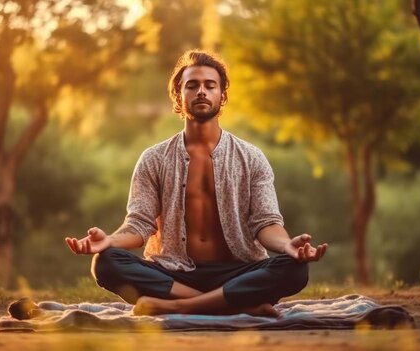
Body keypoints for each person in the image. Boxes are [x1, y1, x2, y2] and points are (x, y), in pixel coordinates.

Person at [65, 50, 328, 317]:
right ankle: (233, 305)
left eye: (209, 85)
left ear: (222, 95)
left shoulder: (252, 158)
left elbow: (266, 223)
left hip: (236, 271)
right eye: (192, 85)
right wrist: (107, 241)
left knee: (295, 268)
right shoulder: (154, 159)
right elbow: (139, 224)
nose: (201, 91)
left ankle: (180, 306)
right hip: (174, 273)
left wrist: (287, 246)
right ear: (179, 95)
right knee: (107, 262)